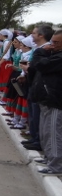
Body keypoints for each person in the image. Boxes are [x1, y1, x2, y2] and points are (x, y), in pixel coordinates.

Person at [31, 30, 62, 175]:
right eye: (52, 42)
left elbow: (41, 65)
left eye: (56, 42)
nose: (52, 45)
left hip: (55, 101)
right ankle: (49, 157)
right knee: (45, 132)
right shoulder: (54, 54)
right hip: (46, 100)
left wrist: (39, 53)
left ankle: (56, 165)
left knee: (53, 133)